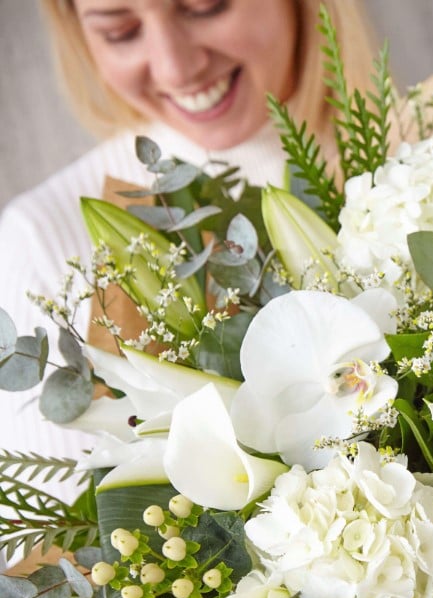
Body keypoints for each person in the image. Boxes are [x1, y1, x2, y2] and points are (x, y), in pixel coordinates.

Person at [0, 0, 377, 503]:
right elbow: (58, 546)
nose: (175, 66)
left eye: (205, 6)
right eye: (120, 30)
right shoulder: (45, 239)